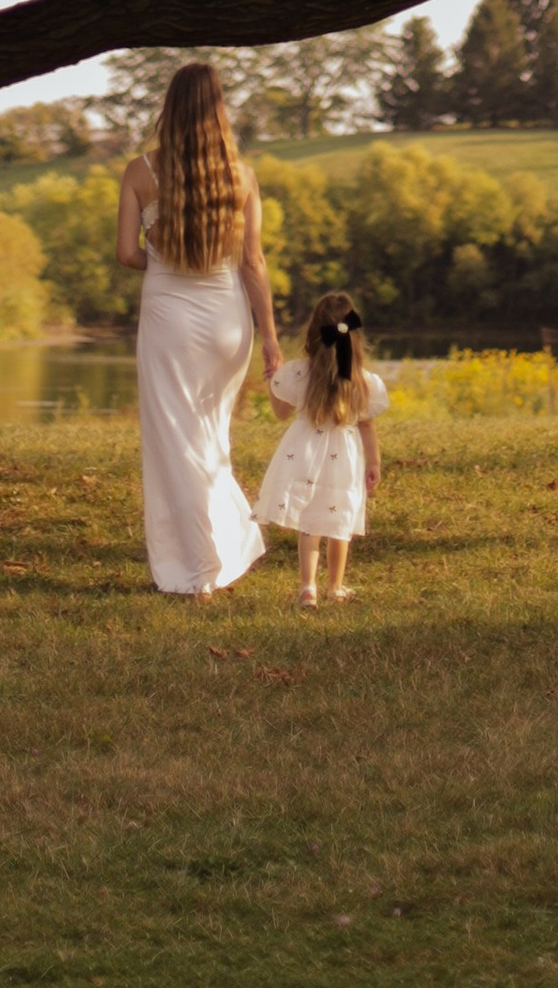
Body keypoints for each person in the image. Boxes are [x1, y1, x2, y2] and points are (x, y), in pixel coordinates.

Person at [117, 61, 276, 598]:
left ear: (170, 107)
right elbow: (252, 263)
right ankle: (218, 551)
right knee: (209, 438)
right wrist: (272, 339)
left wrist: (162, 268)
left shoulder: (141, 172)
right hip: (227, 321)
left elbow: (125, 253)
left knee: (175, 440)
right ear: (218, 108)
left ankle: (199, 565)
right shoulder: (241, 175)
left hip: (169, 320)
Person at [256, 290, 387, 608]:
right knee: (339, 521)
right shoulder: (362, 381)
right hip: (344, 456)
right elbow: (367, 425)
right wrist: (374, 463)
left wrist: (273, 381)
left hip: (304, 452)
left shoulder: (299, 373)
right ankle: (335, 587)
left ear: (313, 331)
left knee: (309, 522)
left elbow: (281, 412)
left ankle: (307, 588)